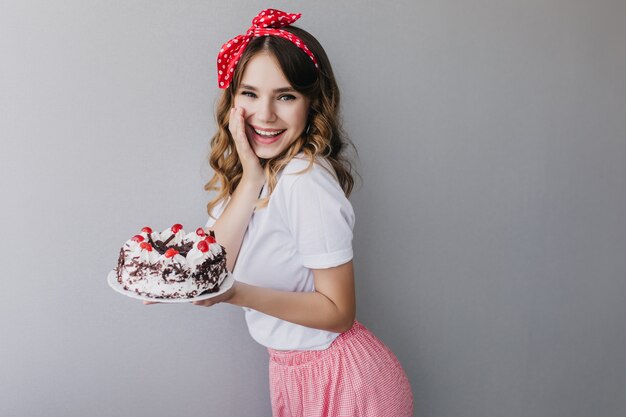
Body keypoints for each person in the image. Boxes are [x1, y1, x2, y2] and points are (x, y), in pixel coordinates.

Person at [153, 9, 414, 416]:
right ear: (233, 100)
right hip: (293, 371)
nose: (265, 114)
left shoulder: (304, 180)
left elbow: (339, 312)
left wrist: (235, 293)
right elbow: (214, 262)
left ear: (313, 103)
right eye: (250, 94)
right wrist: (251, 176)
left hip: (345, 380)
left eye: (286, 96)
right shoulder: (255, 176)